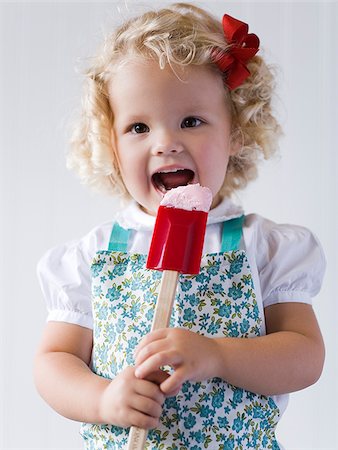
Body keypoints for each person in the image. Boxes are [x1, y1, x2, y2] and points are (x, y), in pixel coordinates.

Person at [34, 3, 326, 449]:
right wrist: (103, 398)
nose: (165, 143)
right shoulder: (92, 257)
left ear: (236, 132)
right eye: (138, 127)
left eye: (191, 121)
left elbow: (305, 356)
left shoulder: (262, 246)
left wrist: (218, 354)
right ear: (109, 144)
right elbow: (53, 362)